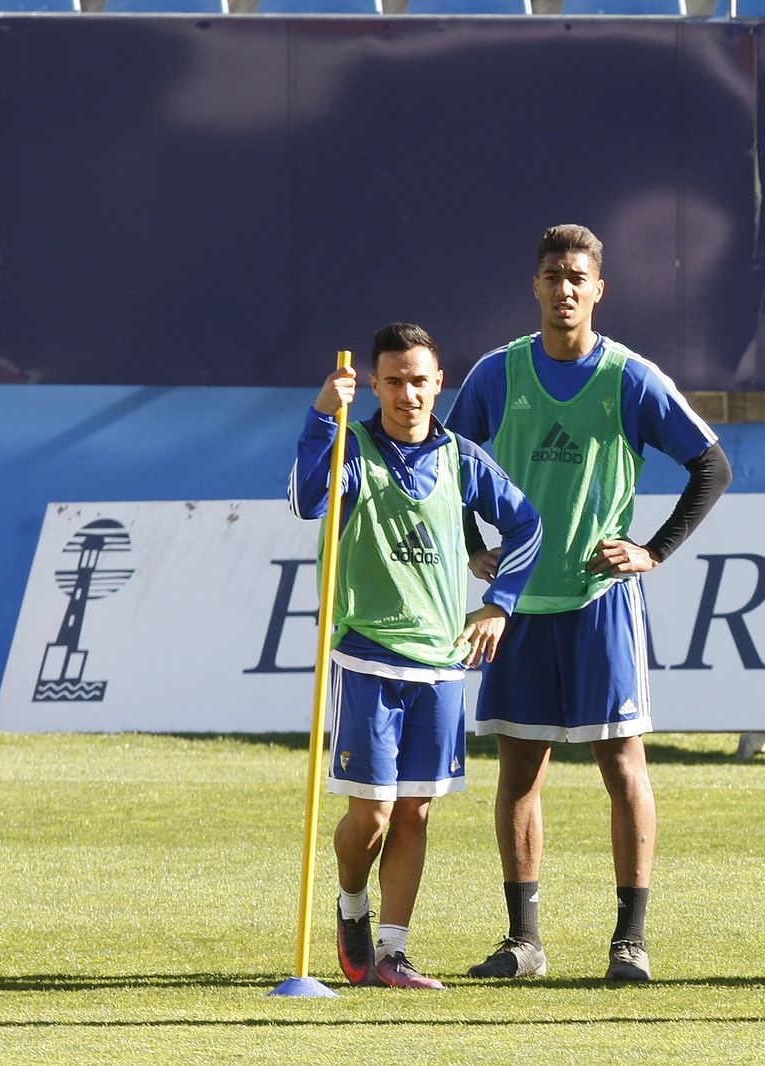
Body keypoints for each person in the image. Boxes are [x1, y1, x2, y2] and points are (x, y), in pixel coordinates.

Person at [447, 224, 732, 983]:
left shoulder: (630, 377)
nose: (564, 288)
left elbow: (711, 464)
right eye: (552, 276)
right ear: (535, 286)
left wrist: (653, 551)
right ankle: (523, 941)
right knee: (518, 773)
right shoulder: (497, 374)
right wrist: (471, 543)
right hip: (517, 607)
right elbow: (442, 463)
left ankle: (629, 941)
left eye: (578, 276)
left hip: (601, 602)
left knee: (623, 767)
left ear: (599, 289)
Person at [290, 322, 542, 990]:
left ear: (438, 384)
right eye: (394, 381)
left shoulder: (460, 455)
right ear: (374, 385)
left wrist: (500, 604)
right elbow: (304, 499)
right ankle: (351, 908)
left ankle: (392, 954)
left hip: (439, 664)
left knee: (415, 811)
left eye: (419, 381)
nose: (407, 394)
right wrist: (322, 415)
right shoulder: (353, 447)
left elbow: (527, 523)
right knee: (370, 812)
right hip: (367, 654)